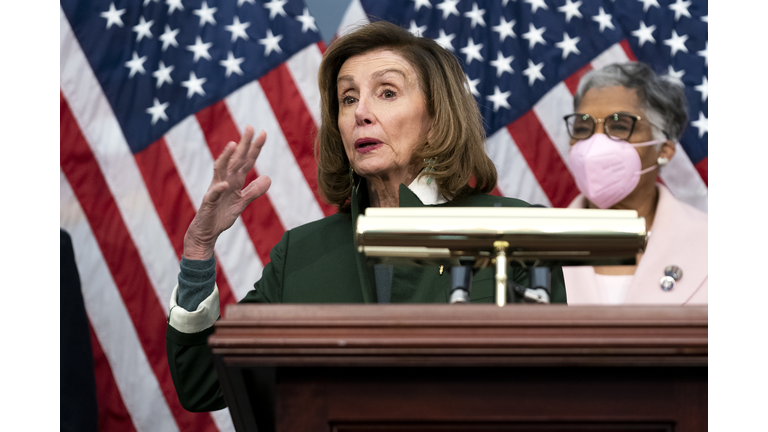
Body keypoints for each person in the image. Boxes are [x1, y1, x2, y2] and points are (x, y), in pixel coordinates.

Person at [166, 20, 568, 412]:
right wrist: (199, 249)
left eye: (387, 93)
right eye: (348, 99)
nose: (361, 113)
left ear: (436, 118)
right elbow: (203, 383)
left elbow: (549, 397)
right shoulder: (301, 253)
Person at [561, 62, 707, 305]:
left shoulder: (709, 241)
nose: (596, 144)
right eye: (583, 127)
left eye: (619, 127)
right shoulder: (529, 249)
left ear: (665, 150)